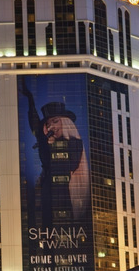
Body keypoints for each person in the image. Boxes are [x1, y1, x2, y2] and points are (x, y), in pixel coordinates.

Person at [20, 83, 90, 229]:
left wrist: (52, 146)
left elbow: (70, 165)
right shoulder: (45, 142)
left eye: (55, 121)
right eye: (48, 123)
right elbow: (34, 124)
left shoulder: (74, 142)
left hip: (66, 192)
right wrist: (30, 99)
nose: (51, 126)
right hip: (46, 189)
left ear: (65, 122)